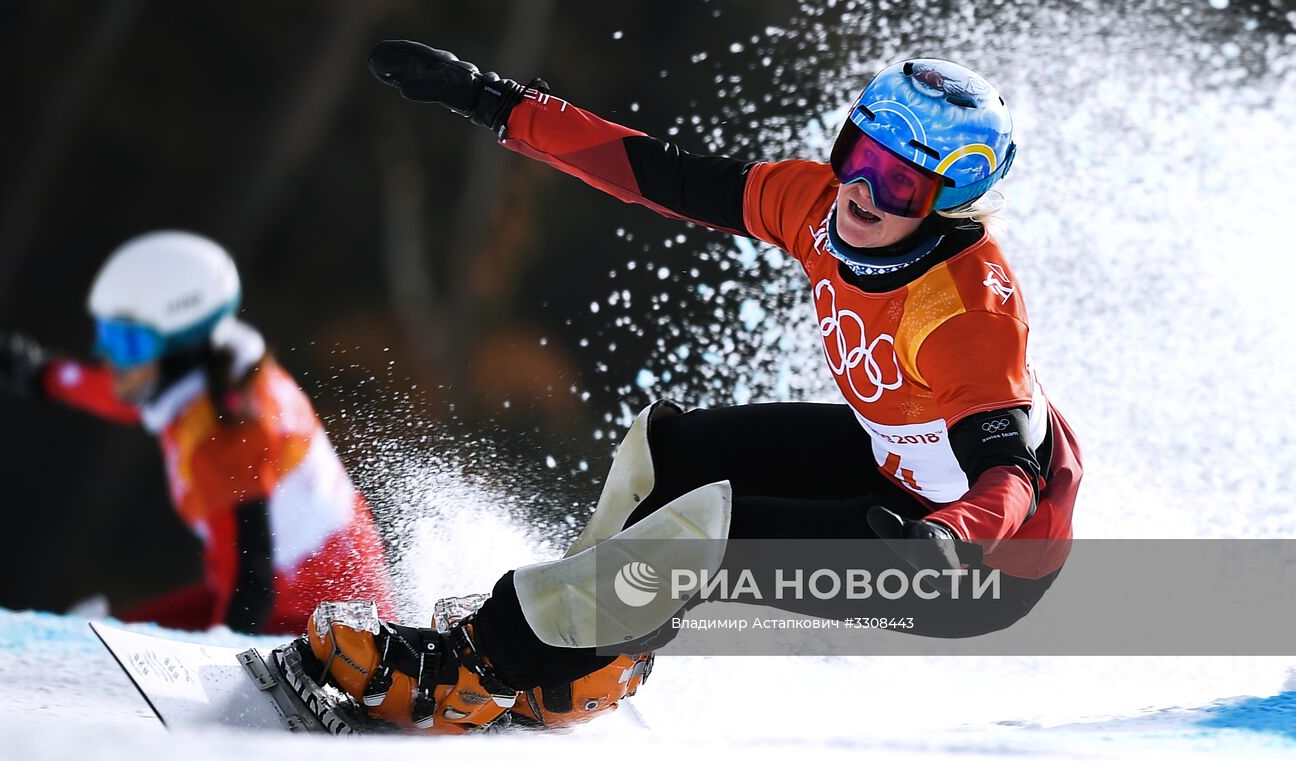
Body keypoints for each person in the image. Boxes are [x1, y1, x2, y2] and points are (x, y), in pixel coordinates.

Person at [270, 42, 1084, 734]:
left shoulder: (966, 313)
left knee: (702, 537)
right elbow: (657, 173)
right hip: (897, 469)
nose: (863, 191)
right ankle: (570, 661)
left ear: (950, 202)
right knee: (664, 453)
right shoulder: (815, 205)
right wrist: (494, 101)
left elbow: (1007, 475)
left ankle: (473, 669)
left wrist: (946, 541)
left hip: (973, 563)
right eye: (858, 154)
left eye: (900, 184)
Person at [0, 231, 396, 634]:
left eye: (127, 344)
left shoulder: (227, 436)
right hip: (290, 589)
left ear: (182, 345)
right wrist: (46, 375)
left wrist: (215, 668)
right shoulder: (209, 372)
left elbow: (251, 587)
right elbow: (127, 391)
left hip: (322, 620)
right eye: (106, 335)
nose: (107, 356)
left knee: (110, 664)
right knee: (104, 644)